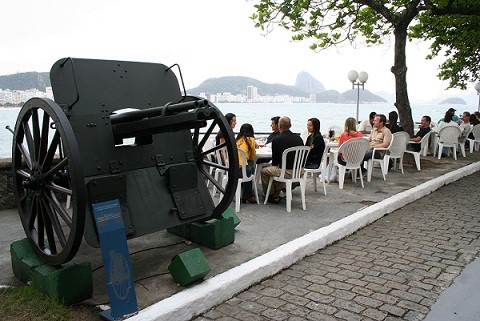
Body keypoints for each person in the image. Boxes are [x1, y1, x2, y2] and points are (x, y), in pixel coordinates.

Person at [261, 116, 303, 203]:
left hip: (285, 172)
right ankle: (278, 192)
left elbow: (275, 162)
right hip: (299, 171)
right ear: (290, 125)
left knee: (265, 171)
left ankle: (271, 194)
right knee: (279, 169)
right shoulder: (299, 138)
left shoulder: (276, 140)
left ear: (279, 126)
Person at [236, 123, 259, 204]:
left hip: (233, 168)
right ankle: (247, 195)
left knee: (250, 167)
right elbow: (252, 155)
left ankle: (244, 189)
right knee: (251, 168)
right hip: (242, 168)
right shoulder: (250, 140)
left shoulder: (238, 139)